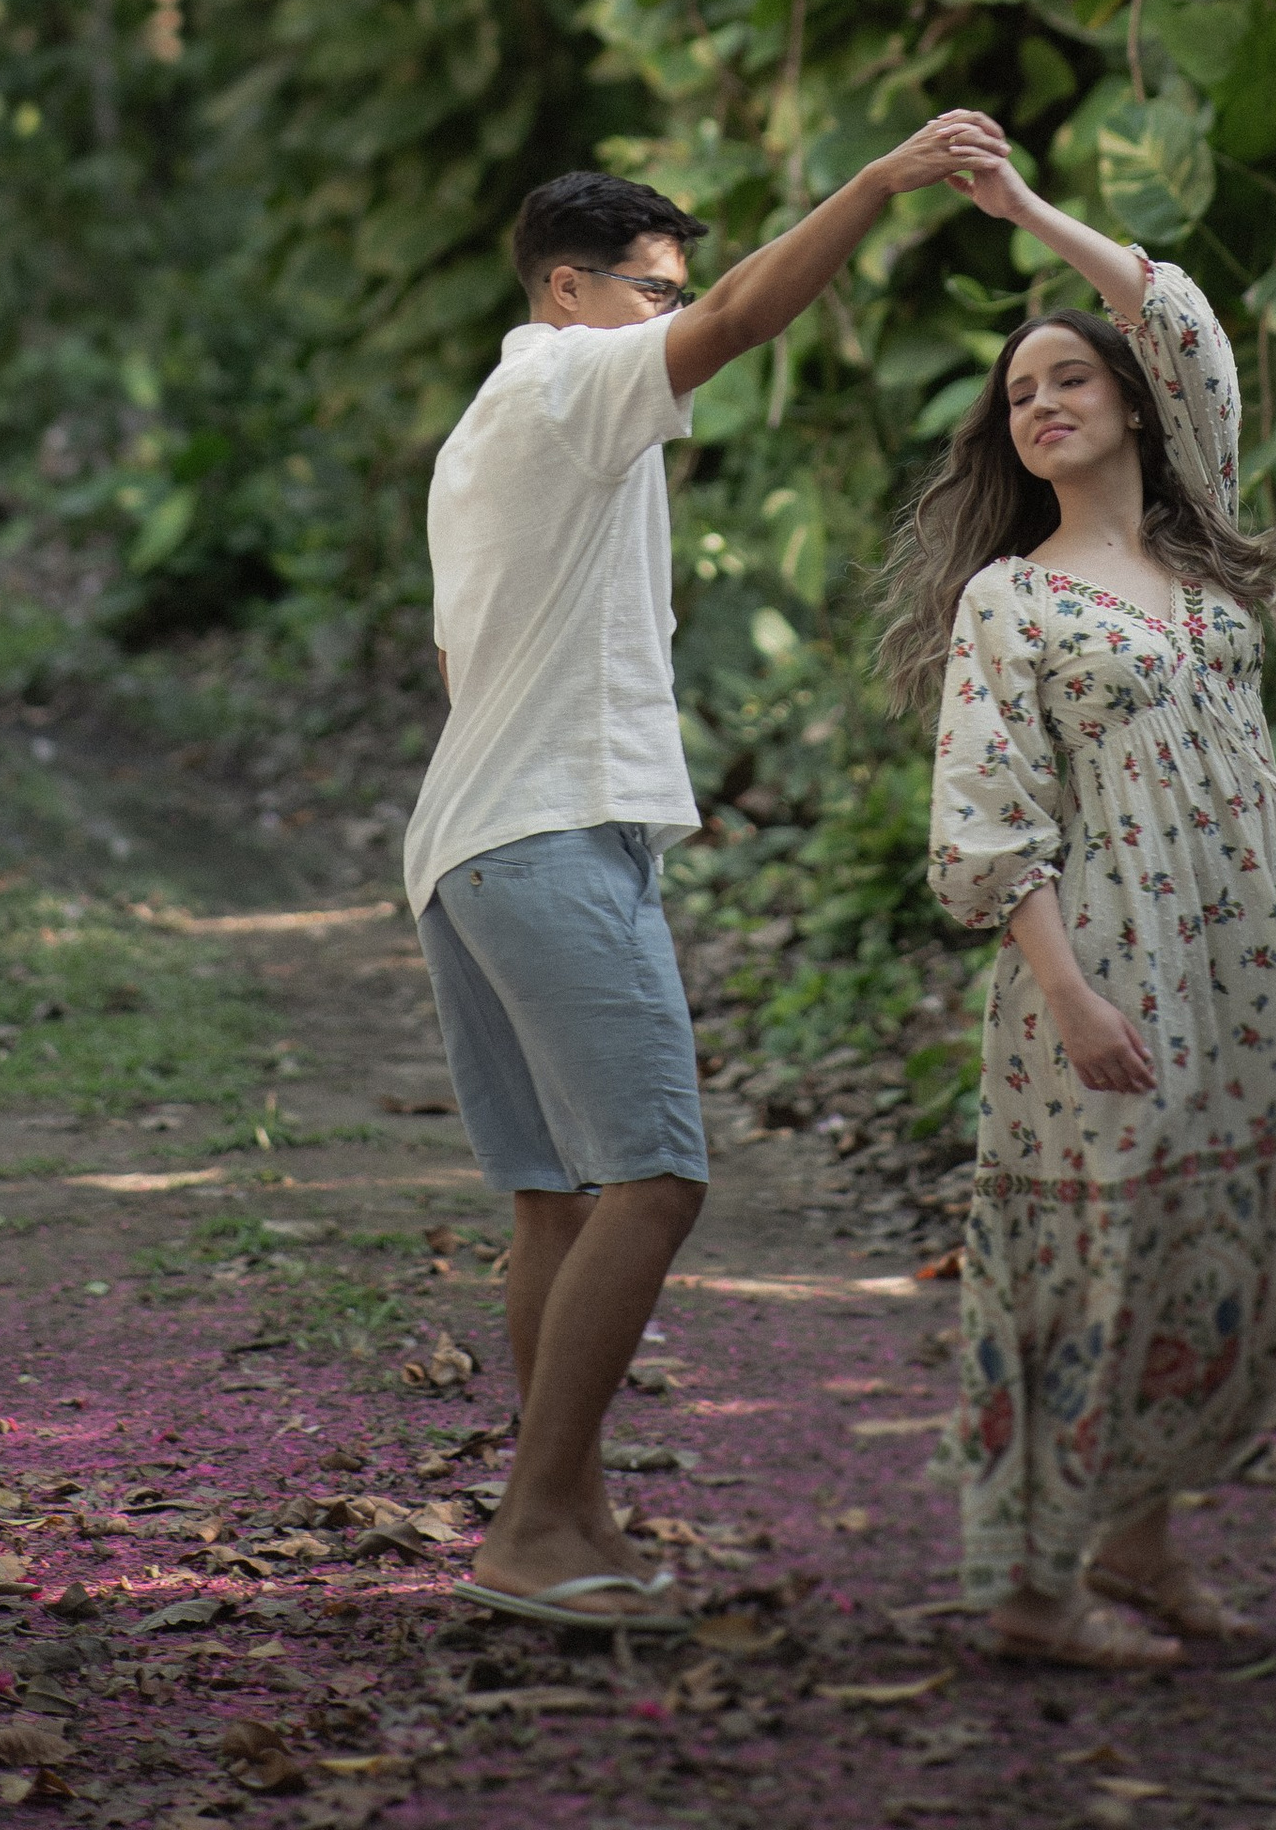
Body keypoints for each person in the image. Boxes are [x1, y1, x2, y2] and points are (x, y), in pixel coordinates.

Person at [408, 116, 1011, 1638]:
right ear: (566, 289)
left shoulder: (489, 425)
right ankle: (536, 1526)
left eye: (671, 293)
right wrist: (877, 184)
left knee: (558, 1202)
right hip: (546, 835)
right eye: (650, 290)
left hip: (472, 843)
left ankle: (565, 1514)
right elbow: (746, 321)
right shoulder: (561, 382)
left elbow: (449, 657)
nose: (672, 318)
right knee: (658, 1178)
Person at [876, 148, 1276, 1671]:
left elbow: (1188, 323)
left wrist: (1025, 218)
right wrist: (1069, 994)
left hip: (1243, 966)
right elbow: (985, 817)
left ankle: (1141, 1535)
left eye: (1070, 376)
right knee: (1095, 1255)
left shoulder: (1195, 549)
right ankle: (1035, 1583)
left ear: (1133, 404)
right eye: (1021, 395)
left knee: (1261, 1214)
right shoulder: (1011, 599)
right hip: (1100, 967)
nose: (1043, 404)